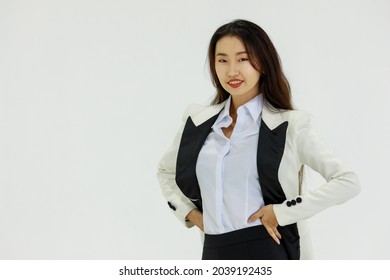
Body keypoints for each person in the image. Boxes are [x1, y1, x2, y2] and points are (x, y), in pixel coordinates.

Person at [156, 19, 360, 260]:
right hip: (214, 250)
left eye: (242, 59)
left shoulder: (289, 126)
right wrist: (190, 213)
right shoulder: (198, 122)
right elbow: (165, 172)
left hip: (268, 246)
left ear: (262, 63)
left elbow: (347, 181)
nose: (232, 70)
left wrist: (281, 212)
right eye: (222, 60)